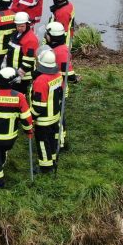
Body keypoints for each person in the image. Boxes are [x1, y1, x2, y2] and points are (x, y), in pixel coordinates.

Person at [30, 50, 63, 173]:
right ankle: (52, 159)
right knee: (52, 139)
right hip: (55, 115)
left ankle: (45, 167)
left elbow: (38, 106)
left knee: (43, 142)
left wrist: (30, 117)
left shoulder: (41, 81)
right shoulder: (58, 75)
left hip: (43, 119)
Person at [44, 20, 75, 149]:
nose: (45, 36)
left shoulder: (61, 52)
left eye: (47, 34)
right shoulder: (56, 48)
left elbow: (69, 74)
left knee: (58, 116)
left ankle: (60, 142)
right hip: (53, 87)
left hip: (58, 89)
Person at [5, 11, 39, 96]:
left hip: (23, 75)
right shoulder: (16, 34)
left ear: (27, 24)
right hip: (13, 72)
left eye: (22, 26)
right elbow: (10, 50)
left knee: (20, 95)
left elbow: (28, 62)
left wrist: (19, 75)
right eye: (18, 26)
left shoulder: (31, 39)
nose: (20, 28)